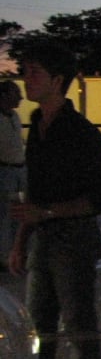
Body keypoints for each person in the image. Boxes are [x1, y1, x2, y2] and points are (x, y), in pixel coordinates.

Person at [9, 39, 101, 359]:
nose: (27, 79)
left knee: (78, 324)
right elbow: (35, 194)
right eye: (25, 72)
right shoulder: (37, 126)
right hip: (42, 238)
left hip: (74, 240)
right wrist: (21, 240)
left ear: (57, 80)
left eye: (34, 72)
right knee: (38, 324)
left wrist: (49, 212)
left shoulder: (82, 133)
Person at [0, 80, 26, 268]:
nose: (20, 97)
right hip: (4, 170)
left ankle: (16, 254)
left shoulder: (15, 117)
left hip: (19, 170)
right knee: (4, 215)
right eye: (16, 93)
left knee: (19, 214)